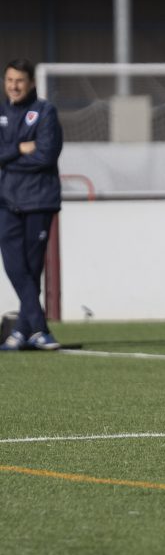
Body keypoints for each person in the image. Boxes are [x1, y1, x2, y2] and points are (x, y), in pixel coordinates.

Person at [0, 59, 64, 351]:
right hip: (6, 200)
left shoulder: (45, 111)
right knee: (14, 265)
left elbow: (47, 155)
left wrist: (8, 159)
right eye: (9, 80)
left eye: (19, 81)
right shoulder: (1, 112)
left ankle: (22, 331)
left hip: (38, 200)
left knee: (31, 267)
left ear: (31, 83)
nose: (13, 86)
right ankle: (38, 328)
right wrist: (19, 149)